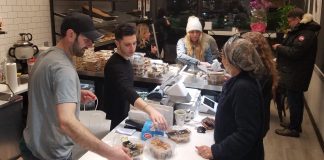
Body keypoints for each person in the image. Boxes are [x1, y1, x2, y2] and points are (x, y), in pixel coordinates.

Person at [21, 13, 131, 160]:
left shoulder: (46, 55)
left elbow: (46, 89)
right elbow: (67, 123)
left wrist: (74, 93)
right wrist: (112, 154)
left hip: (31, 144)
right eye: (86, 39)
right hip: (50, 154)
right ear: (71, 34)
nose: (91, 45)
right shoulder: (64, 69)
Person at [196, 36, 266, 160]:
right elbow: (238, 117)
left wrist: (215, 151)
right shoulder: (240, 79)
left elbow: (246, 134)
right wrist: (219, 123)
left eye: (223, 55)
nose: (221, 59)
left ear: (232, 60)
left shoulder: (243, 88)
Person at [103, 23, 167, 129]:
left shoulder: (126, 59)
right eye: (127, 45)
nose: (132, 48)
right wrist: (150, 110)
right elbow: (127, 91)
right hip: (113, 119)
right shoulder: (114, 65)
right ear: (117, 43)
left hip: (123, 114)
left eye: (134, 43)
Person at [272, 8, 321, 137]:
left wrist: (280, 48)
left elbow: (295, 53)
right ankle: (294, 125)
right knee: (295, 101)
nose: (289, 24)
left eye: (290, 21)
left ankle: (294, 129)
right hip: (293, 73)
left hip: (297, 74)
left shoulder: (306, 34)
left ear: (297, 20)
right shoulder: (301, 31)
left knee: (295, 102)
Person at [241, 31, 279, 137]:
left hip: (255, 123)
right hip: (260, 122)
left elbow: (248, 97)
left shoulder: (260, 72)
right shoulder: (264, 66)